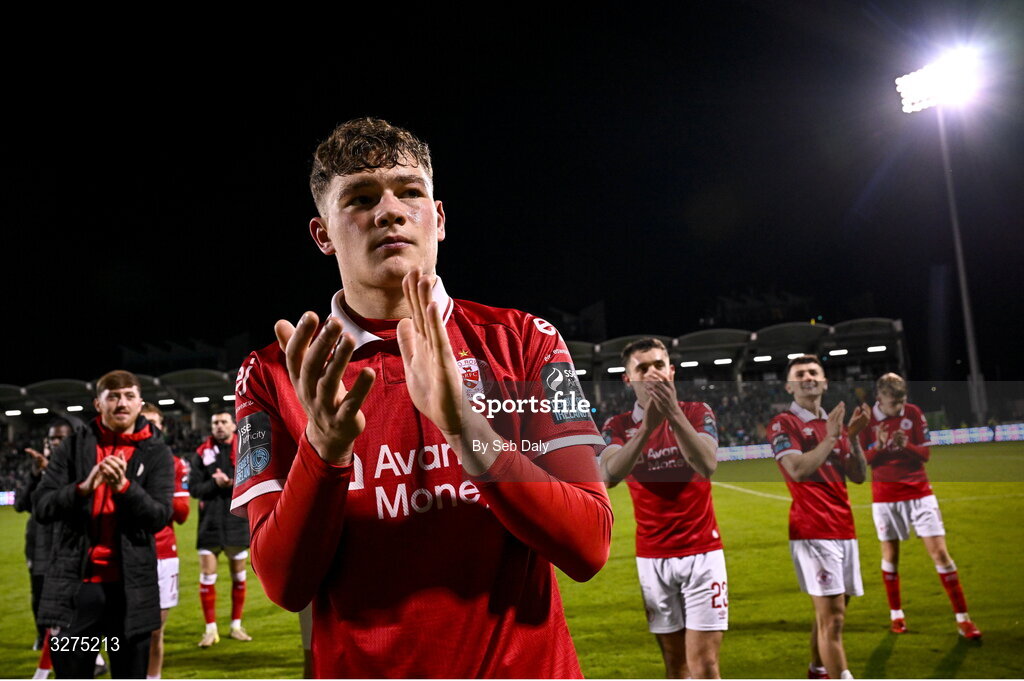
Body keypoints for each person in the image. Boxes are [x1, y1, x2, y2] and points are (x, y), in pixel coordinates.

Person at [229, 117, 612, 678]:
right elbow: (286, 585)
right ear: (323, 234)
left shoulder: (526, 341)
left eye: (410, 192)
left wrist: (467, 431)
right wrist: (324, 449)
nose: (389, 210)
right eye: (360, 198)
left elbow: (588, 547)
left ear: (437, 218)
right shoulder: (272, 372)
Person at [599, 338, 727, 679]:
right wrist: (646, 429)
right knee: (676, 666)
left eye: (658, 365)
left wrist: (672, 413)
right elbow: (608, 475)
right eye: (642, 368)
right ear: (629, 380)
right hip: (653, 557)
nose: (652, 373)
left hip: (703, 553)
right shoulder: (617, 425)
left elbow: (706, 463)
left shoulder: (698, 411)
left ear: (671, 371)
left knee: (705, 665)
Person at [33, 370, 173, 679]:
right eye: (113, 396)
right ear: (99, 403)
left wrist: (124, 487)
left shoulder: (157, 453)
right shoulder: (71, 448)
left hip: (130, 591)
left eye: (129, 396)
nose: (121, 402)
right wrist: (82, 488)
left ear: (140, 403)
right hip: (77, 590)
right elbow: (41, 506)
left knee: (129, 673)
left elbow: (159, 516)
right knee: (73, 672)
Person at [767, 355, 868, 680]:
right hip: (813, 530)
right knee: (834, 619)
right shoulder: (784, 423)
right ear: (789, 385)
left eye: (814, 372)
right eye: (800, 373)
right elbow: (796, 469)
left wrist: (851, 438)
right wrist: (830, 438)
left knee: (830, 614)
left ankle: (816, 669)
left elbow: (858, 476)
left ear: (824, 381)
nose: (808, 377)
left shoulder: (833, 425)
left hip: (844, 528)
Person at [859, 372, 981, 639]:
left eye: (902, 401)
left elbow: (925, 454)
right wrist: (879, 446)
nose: (899, 407)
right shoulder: (865, 420)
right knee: (891, 557)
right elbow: (861, 462)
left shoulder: (913, 413)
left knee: (940, 554)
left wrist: (908, 446)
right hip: (885, 497)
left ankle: (964, 620)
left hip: (919, 492)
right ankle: (897, 615)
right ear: (879, 397)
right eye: (894, 403)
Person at [16, 419, 73, 679]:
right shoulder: (37, 469)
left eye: (61, 438)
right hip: (38, 543)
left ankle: (85, 655)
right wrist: (37, 474)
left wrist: (51, 472)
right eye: (52, 438)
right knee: (39, 596)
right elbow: (21, 504)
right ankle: (43, 638)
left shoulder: (77, 466)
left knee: (69, 604)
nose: (55, 442)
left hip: (66, 543)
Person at [190, 411, 251, 646]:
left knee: (238, 576)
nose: (219, 426)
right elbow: (194, 489)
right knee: (207, 576)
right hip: (210, 524)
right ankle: (210, 630)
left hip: (236, 521)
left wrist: (234, 483)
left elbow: (254, 480)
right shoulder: (201, 453)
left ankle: (236, 626)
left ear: (233, 425)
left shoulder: (244, 449)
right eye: (215, 422)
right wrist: (214, 483)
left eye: (224, 421)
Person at [140, 404, 192, 678]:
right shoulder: (119, 456)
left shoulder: (173, 463)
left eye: (154, 423)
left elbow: (182, 513)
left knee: (155, 629)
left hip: (163, 552)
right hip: (126, 551)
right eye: (144, 421)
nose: (149, 428)